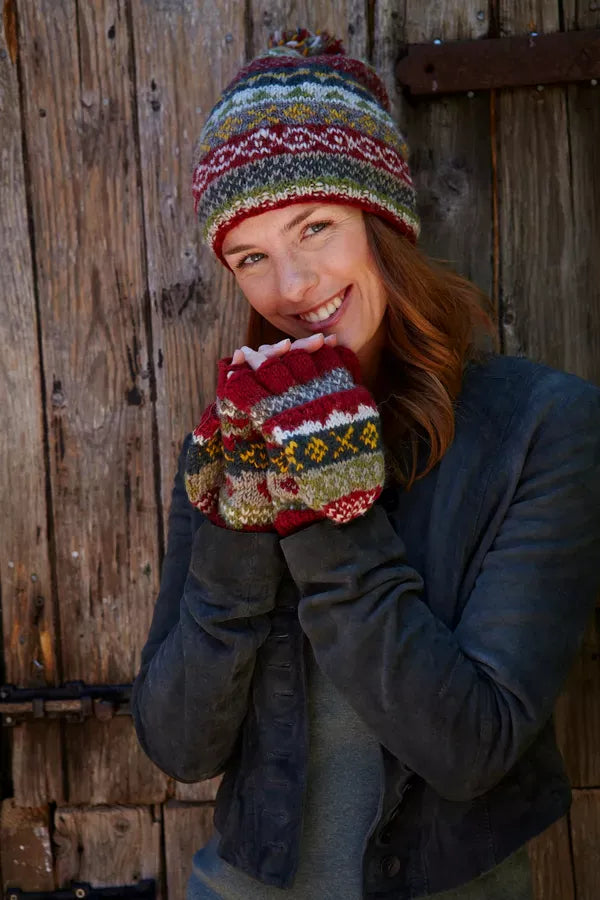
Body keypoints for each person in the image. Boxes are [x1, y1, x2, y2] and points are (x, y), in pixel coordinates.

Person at [131, 29, 600, 900]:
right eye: (251, 257)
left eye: (315, 227)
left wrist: (327, 511)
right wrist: (239, 533)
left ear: (381, 222)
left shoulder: (543, 428)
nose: (292, 285)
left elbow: (472, 750)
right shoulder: (232, 442)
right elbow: (180, 746)